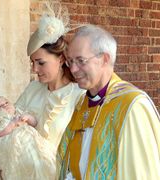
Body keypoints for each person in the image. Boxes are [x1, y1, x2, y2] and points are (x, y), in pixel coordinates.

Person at [0, 1, 85, 179]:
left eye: (41, 63)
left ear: (60, 59)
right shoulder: (32, 89)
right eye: (32, 63)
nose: (35, 69)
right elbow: (9, 128)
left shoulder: (79, 96)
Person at [57, 24, 160, 180]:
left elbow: (140, 173)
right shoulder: (82, 103)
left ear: (104, 59)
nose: (73, 69)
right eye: (70, 61)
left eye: (80, 61)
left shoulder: (132, 105)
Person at [0, 96, 56, 179]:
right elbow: (0, 133)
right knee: (24, 169)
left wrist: (28, 118)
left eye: (6, 102)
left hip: (33, 145)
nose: (5, 105)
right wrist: (13, 124)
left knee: (42, 163)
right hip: (18, 149)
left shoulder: (19, 112)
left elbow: (35, 124)